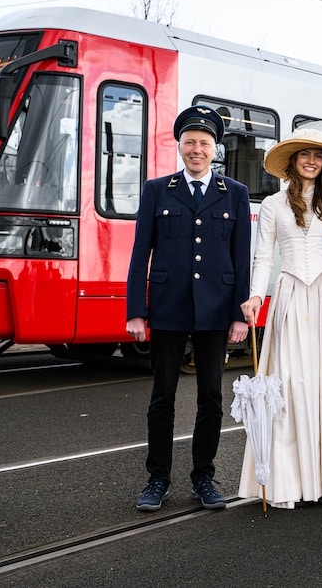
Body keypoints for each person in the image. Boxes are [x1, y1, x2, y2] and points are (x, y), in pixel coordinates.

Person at [126, 105, 251, 512]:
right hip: (168, 308)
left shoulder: (234, 193)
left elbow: (241, 255)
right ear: (179, 146)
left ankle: (204, 477)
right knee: (162, 396)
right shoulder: (157, 190)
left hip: (216, 310)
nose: (196, 149)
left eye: (204, 143)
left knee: (211, 397)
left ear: (216, 149)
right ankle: (157, 478)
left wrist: (238, 314)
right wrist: (136, 310)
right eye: (190, 142)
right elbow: (139, 252)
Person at [236, 122, 322, 508]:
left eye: (317, 155)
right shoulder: (273, 205)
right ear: (291, 162)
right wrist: (256, 295)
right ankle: (290, 481)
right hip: (289, 297)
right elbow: (264, 258)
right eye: (304, 155)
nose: (311, 160)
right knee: (290, 386)